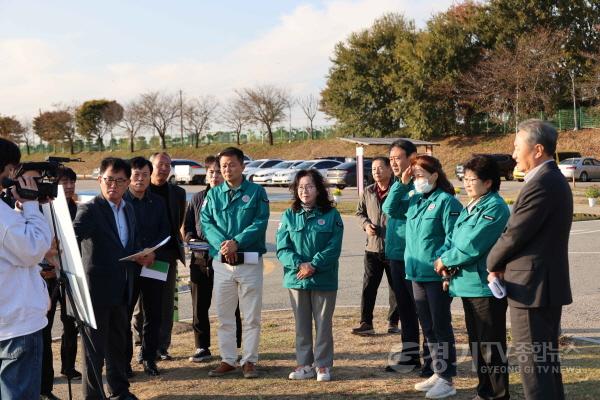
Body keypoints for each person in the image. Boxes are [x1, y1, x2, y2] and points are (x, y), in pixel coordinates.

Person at [487, 119, 573, 400]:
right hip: (538, 286)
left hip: (532, 288)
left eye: (516, 147)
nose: (512, 155)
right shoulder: (549, 179)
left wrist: (492, 263)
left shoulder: (542, 183)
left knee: (534, 367)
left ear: (537, 150)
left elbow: (514, 234)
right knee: (543, 365)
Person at [74, 157, 154, 400]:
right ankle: (93, 396)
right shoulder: (90, 209)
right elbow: (72, 236)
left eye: (120, 181)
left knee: (117, 346)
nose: (114, 186)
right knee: (94, 351)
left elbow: (130, 242)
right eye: (109, 180)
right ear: (100, 180)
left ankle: (119, 391)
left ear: (127, 183)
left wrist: (142, 254)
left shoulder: (128, 208)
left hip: (122, 288)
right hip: (95, 292)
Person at [435, 156, 510, 400]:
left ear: (488, 182)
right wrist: (442, 259)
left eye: (472, 179)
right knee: (478, 345)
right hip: (466, 284)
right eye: (464, 179)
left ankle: (498, 395)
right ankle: (484, 391)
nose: (467, 184)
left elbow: (472, 245)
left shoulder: (495, 207)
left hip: (484, 288)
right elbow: (452, 239)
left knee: (492, 347)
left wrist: (447, 260)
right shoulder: (472, 204)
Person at [393, 155, 462, 398]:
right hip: (415, 274)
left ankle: (447, 378)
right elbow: (389, 208)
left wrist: (443, 264)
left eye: (420, 174)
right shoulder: (414, 199)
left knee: (441, 326)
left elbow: (453, 238)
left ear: (434, 175)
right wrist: (402, 183)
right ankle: (436, 370)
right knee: (428, 327)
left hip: (436, 275)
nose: (417, 179)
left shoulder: (447, 202)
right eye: (415, 175)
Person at [201, 147, 269, 379]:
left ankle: (249, 360)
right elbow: (206, 222)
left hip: (249, 262)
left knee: (251, 316)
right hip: (222, 263)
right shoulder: (213, 194)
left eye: (231, 164)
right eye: (223, 166)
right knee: (224, 315)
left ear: (242, 166)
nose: (227, 169)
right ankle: (228, 359)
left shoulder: (257, 192)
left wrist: (237, 243)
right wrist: (224, 245)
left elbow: (260, 222)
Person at [276, 169, 343, 382]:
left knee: (323, 323)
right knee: (301, 324)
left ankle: (322, 365)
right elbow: (282, 248)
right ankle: (304, 365)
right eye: (301, 187)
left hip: (323, 277)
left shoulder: (332, 215)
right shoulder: (288, 215)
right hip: (296, 278)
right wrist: (299, 265)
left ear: (318, 189)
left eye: (310, 186)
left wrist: (313, 265)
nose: (305, 191)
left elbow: (334, 247)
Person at [0, 138, 53, 400]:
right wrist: (32, 205)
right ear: (9, 171)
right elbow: (34, 249)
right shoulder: (3, 216)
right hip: (15, 326)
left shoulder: (6, 214)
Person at [183, 155, 242, 363]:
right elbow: (188, 226)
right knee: (199, 305)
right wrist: (191, 239)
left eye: (219, 171)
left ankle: (234, 346)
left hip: (225, 259)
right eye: (211, 172)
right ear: (206, 174)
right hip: (200, 260)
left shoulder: (230, 196)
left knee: (230, 304)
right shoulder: (197, 198)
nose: (215, 176)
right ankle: (202, 346)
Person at [133, 152, 186, 362]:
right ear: (150, 167)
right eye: (159, 164)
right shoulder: (139, 191)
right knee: (141, 306)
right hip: (141, 255)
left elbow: (176, 223)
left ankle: (161, 346)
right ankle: (141, 345)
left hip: (165, 255)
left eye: (168, 164)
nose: (164, 168)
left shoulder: (179, 193)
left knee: (164, 306)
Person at [381, 139, 425, 374]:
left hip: (416, 258)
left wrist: (404, 184)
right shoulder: (400, 184)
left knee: (424, 311)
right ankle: (410, 357)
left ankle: (432, 359)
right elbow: (387, 208)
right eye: (391, 159)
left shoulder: (420, 185)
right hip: (397, 256)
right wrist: (400, 184)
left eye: (398, 158)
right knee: (406, 311)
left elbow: (390, 209)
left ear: (412, 157)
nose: (394, 163)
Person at [124, 157, 170, 377]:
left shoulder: (158, 202)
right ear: (129, 177)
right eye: (136, 174)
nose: (140, 179)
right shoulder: (121, 201)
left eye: (144, 174)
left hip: (155, 262)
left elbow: (166, 232)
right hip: (129, 265)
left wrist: (153, 253)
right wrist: (136, 255)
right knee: (124, 314)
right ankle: (124, 362)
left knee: (154, 313)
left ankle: (149, 358)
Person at [39, 167, 82, 400]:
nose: (68, 186)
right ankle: (45, 384)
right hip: (47, 276)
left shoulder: (76, 208)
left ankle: (69, 366)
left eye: (72, 182)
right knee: (45, 328)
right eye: (64, 182)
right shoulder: (42, 208)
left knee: (71, 323)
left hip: (70, 272)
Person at [352, 157, 399, 335]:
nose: (376, 172)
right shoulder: (368, 191)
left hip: (393, 248)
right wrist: (365, 225)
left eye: (380, 168)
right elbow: (359, 212)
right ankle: (366, 323)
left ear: (389, 170)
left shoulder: (397, 190)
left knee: (395, 288)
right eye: (373, 169)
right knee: (369, 286)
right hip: (372, 248)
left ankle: (393, 322)